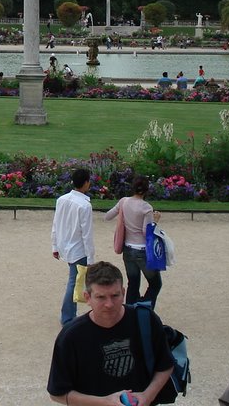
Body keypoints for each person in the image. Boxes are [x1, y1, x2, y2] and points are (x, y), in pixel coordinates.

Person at [47, 261, 174, 405]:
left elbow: (166, 364)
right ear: (87, 297)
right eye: (101, 297)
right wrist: (104, 402)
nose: (109, 304)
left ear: (124, 293)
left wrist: (147, 396)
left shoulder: (146, 319)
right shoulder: (71, 336)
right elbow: (57, 394)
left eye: (115, 295)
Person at [104, 175, 163, 308]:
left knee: (133, 283)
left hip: (128, 249)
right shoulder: (146, 207)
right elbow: (145, 232)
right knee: (155, 283)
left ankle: (130, 312)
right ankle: (145, 307)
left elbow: (107, 216)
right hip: (142, 251)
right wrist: (155, 221)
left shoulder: (124, 202)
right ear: (147, 190)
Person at [51, 168, 95, 326]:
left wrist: (55, 246)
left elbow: (55, 224)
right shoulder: (84, 206)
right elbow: (87, 234)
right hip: (78, 249)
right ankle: (68, 318)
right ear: (86, 183)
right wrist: (91, 258)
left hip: (65, 246)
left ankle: (69, 315)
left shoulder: (62, 199)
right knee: (74, 282)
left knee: (75, 281)